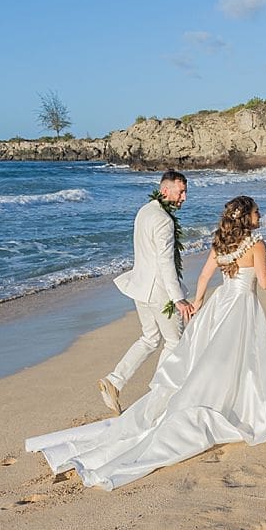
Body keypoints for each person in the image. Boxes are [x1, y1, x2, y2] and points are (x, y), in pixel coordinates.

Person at [26, 196, 266, 490]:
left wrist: (199, 304)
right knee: (246, 354)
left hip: (221, 304)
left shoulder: (221, 243)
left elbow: (204, 276)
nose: (260, 216)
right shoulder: (256, 245)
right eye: (256, 212)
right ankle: (248, 404)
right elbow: (265, 283)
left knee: (227, 356)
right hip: (242, 307)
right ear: (246, 218)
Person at [98, 170, 195, 415]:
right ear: (165, 191)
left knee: (150, 338)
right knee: (174, 341)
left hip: (140, 287)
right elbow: (165, 263)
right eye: (180, 191)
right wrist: (178, 298)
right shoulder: (163, 219)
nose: (184, 197)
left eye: (185, 192)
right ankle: (159, 394)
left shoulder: (144, 211)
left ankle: (114, 381)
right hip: (159, 291)